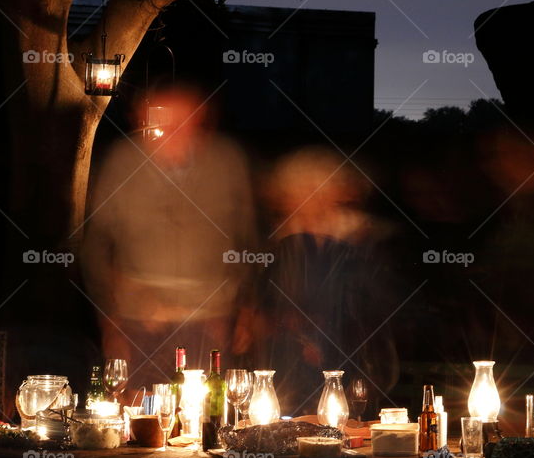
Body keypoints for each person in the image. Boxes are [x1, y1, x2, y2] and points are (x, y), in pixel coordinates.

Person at [82, 86, 256, 397]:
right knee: (139, 409)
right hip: (139, 319)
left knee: (206, 407)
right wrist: (110, 319)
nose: (173, 127)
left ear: (201, 117)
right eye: (162, 117)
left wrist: (246, 311)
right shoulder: (122, 162)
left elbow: (248, 240)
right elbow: (96, 244)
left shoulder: (226, 162)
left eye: (183, 117)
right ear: (141, 119)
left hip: (210, 318)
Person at [233, 146, 397, 417]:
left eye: (306, 192)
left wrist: (319, 331)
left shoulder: (362, 242)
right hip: (288, 376)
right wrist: (255, 319)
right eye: (291, 193)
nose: (293, 201)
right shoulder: (279, 245)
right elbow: (261, 304)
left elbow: (371, 314)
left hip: (351, 373)